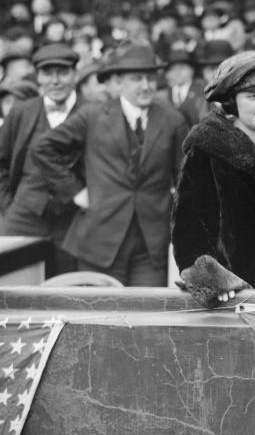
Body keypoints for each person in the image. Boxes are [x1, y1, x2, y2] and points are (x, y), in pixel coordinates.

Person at [33, 43, 189, 286]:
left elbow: (185, 178)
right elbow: (43, 149)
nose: (146, 85)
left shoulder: (173, 120)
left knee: (145, 315)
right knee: (100, 315)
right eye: (137, 79)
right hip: (100, 238)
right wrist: (75, 192)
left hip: (150, 242)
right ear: (119, 82)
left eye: (150, 78)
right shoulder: (93, 116)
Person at [172, 51, 255, 295]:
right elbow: (189, 227)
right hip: (232, 292)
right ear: (231, 101)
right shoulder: (206, 149)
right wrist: (211, 279)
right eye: (252, 96)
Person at [0, 43, 83, 276]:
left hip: (71, 219)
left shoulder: (93, 111)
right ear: (38, 77)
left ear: (75, 75)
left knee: (69, 288)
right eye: (48, 73)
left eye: (63, 72)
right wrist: (8, 204)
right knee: (10, 282)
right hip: (23, 215)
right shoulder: (22, 111)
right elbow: (1, 161)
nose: (55, 81)